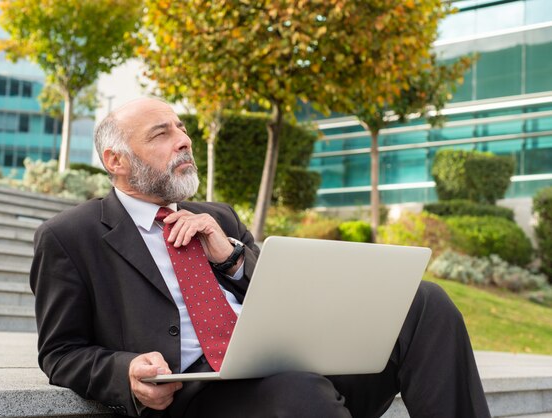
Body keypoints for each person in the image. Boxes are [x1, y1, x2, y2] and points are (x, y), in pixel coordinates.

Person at [30, 98, 491, 418]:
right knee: (299, 392)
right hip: (198, 396)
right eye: (162, 133)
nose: (184, 139)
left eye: (182, 127)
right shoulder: (71, 237)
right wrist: (125, 371)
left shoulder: (218, 217)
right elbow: (60, 352)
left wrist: (231, 257)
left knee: (424, 301)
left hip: (290, 363)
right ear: (117, 161)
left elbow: (284, 293)